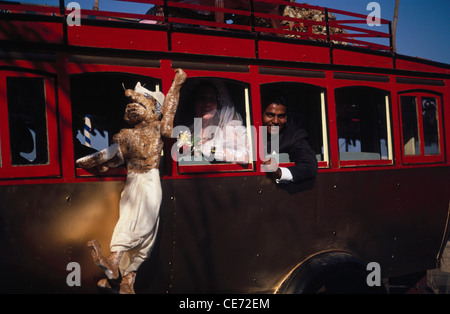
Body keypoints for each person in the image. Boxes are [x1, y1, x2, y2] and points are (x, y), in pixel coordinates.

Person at [76, 69, 187, 294]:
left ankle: (115, 262)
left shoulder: (158, 128)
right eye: (130, 104)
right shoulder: (125, 134)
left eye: (140, 102)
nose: (131, 106)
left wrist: (176, 85)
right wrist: (98, 164)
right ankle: (127, 280)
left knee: (143, 225)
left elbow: (169, 115)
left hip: (148, 180)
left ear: (154, 111)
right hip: (132, 181)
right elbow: (114, 156)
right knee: (135, 222)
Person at [177, 80, 249, 164]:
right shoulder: (183, 132)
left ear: (218, 104)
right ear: (194, 102)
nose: (207, 103)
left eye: (212, 99)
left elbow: (245, 156)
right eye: (202, 98)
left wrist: (208, 151)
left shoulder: (228, 130)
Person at [261, 95, 317, 184]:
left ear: (286, 118)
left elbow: (310, 166)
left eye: (281, 116)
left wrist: (279, 172)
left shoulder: (293, 135)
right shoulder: (248, 132)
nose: (276, 121)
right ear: (260, 114)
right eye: (270, 115)